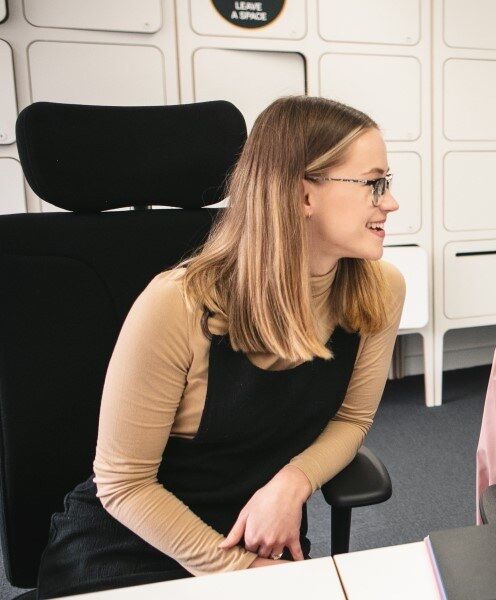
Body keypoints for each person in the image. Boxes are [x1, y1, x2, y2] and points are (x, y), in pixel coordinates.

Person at [37, 96, 405, 598]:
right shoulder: (178, 302)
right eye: (373, 183)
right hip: (129, 547)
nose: (389, 202)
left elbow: (351, 421)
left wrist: (293, 483)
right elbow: (123, 484)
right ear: (302, 196)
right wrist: (241, 573)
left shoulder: (379, 289)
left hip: (260, 536)